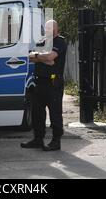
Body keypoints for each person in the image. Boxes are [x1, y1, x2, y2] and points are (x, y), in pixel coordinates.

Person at [21, 20, 67, 151]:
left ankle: (56, 141)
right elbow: (30, 56)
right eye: (46, 27)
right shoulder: (42, 41)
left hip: (53, 83)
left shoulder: (59, 42)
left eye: (50, 28)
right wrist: (43, 57)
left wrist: (41, 57)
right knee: (37, 113)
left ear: (57, 29)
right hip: (39, 82)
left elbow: (51, 56)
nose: (47, 30)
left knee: (55, 114)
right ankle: (38, 139)